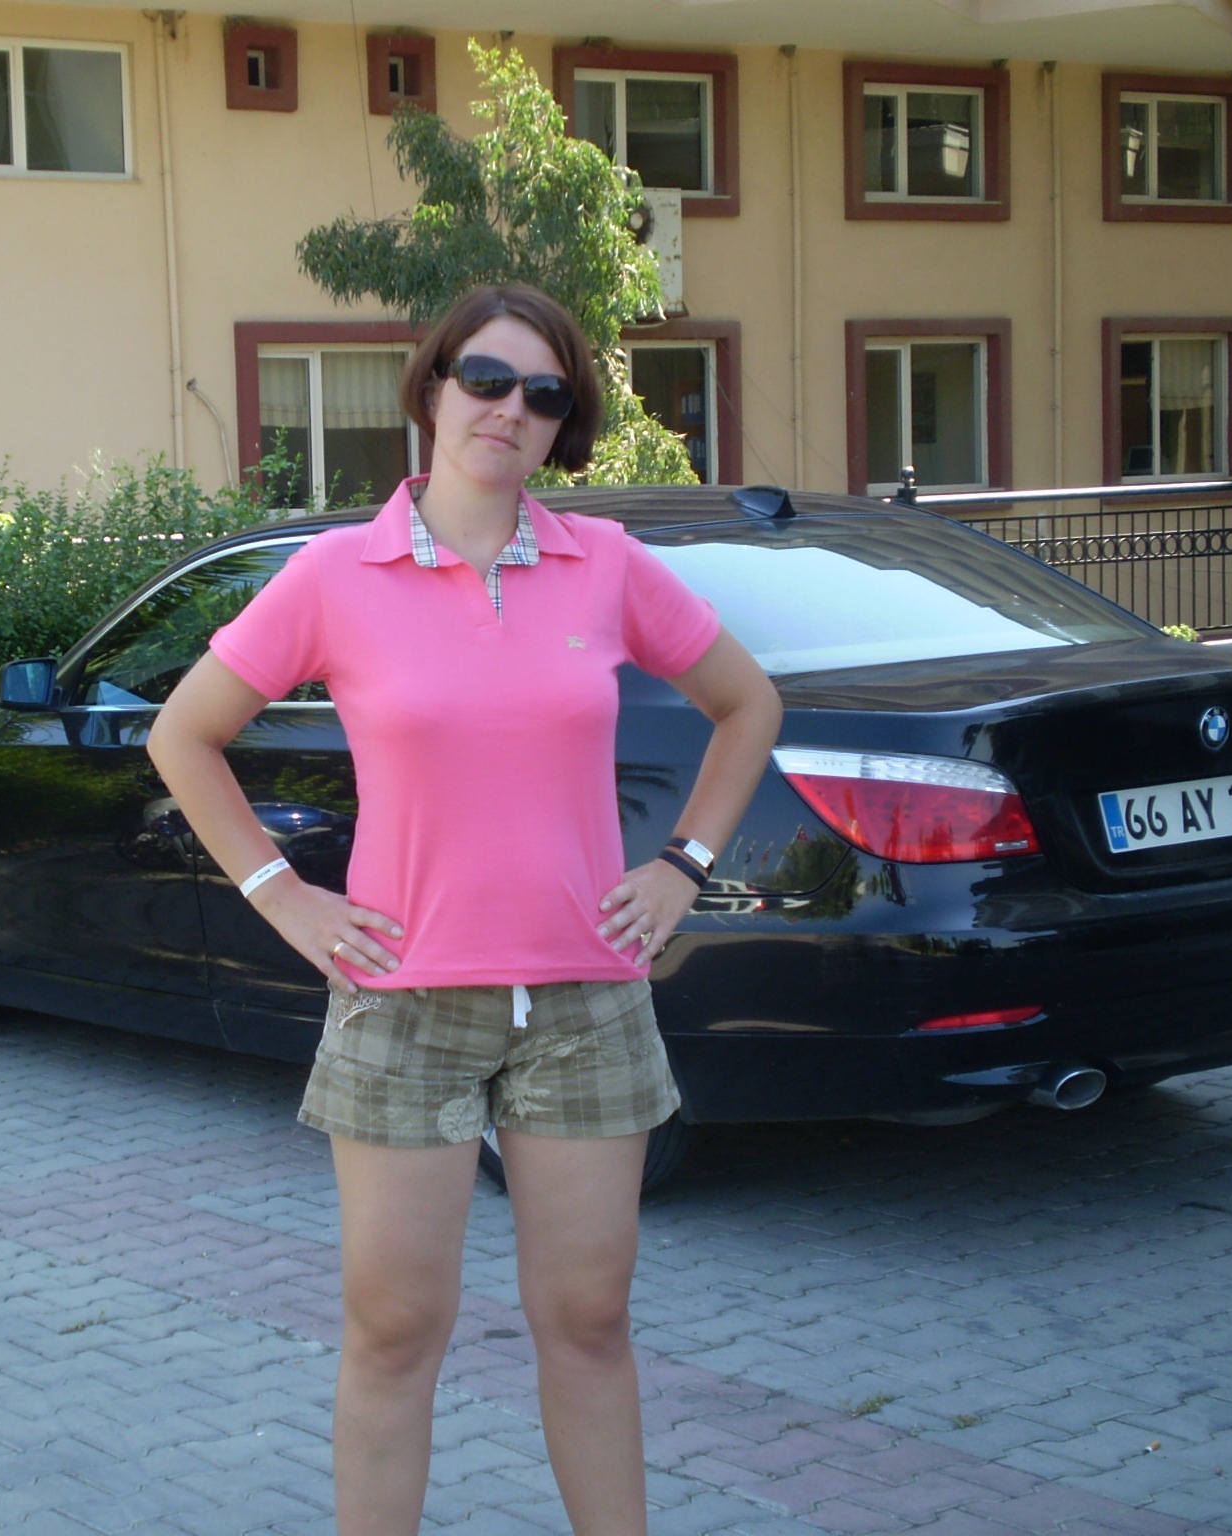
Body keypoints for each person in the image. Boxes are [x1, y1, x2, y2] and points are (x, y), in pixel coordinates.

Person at [147, 284, 782, 1535]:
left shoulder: (604, 565)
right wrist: (284, 898)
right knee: (393, 1330)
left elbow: (746, 703)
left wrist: (682, 865)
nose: (509, 409)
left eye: (542, 393)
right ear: (432, 389)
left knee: (588, 1321)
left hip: (584, 1002)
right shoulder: (335, 574)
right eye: (485, 379)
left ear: (561, 422)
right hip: (401, 1003)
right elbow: (183, 734)